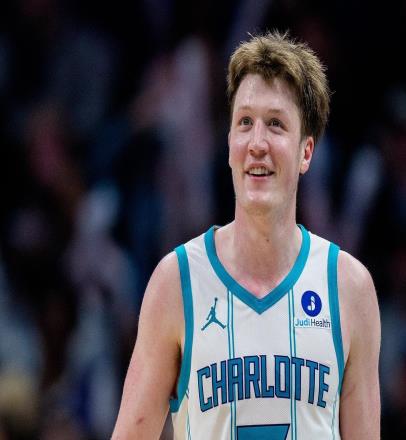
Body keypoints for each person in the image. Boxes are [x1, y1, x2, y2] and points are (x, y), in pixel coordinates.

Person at [112, 31, 381, 439]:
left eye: (275, 124)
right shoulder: (176, 282)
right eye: (245, 123)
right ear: (229, 144)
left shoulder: (349, 288)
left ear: (306, 152)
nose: (257, 143)